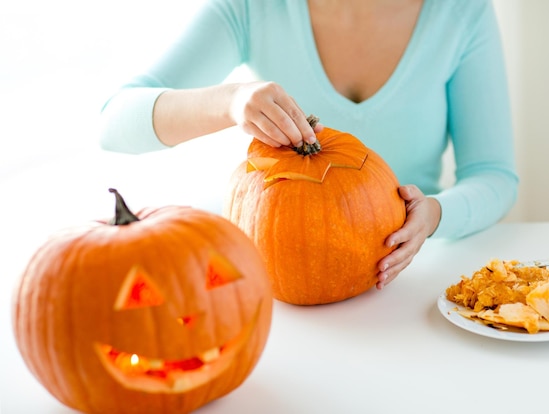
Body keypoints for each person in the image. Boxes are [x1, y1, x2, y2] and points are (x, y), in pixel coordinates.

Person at [100, 0, 518, 290]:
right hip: (262, 283)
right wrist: (229, 101)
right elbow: (114, 123)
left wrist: (435, 215)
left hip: (400, 286)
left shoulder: (462, 12)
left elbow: (493, 175)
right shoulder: (252, 8)